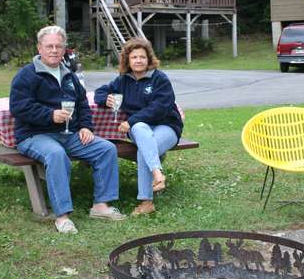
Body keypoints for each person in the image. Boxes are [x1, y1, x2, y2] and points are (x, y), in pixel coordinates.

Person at [10, 25, 125, 234]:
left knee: (106, 148)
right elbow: (19, 107)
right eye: (49, 46)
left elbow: (82, 104)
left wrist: (85, 127)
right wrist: (49, 115)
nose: (54, 50)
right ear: (39, 48)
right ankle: (62, 217)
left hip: (69, 134)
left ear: (64, 49)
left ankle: (101, 206)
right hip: (34, 135)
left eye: (58, 46)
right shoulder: (26, 75)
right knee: (56, 154)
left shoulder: (70, 76)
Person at [94, 38, 183, 216]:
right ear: (128, 60)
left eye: (142, 57)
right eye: (134, 57)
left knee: (144, 147)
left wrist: (130, 122)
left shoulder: (159, 79)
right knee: (141, 130)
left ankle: (147, 201)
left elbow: (159, 109)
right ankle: (157, 176)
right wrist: (106, 99)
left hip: (166, 126)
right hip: (139, 129)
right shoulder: (122, 81)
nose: (138, 60)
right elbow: (99, 93)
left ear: (149, 59)